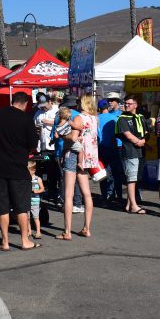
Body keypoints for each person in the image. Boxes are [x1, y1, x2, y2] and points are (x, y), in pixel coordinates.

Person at [0, 92, 40, 251]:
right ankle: (25, 240)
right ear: (25, 104)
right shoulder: (25, 118)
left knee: (2, 206)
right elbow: (33, 144)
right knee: (21, 206)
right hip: (17, 167)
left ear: (13, 101)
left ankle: (5, 241)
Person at [57, 94, 98, 239]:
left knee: (69, 193)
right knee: (87, 193)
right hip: (88, 157)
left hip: (73, 155)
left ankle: (67, 231)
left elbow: (73, 138)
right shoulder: (94, 118)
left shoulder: (79, 118)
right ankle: (87, 228)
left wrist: (62, 136)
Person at [116, 95, 147, 214]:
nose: (126, 105)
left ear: (135, 105)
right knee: (131, 179)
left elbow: (146, 132)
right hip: (130, 151)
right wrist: (139, 141)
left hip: (140, 152)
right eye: (125, 103)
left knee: (136, 178)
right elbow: (127, 135)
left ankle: (129, 204)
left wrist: (144, 140)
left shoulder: (141, 117)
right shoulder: (122, 119)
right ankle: (134, 206)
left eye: (129, 103)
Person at [97, 91, 125, 207]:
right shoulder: (114, 118)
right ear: (107, 107)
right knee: (116, 173)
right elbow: (118, 134)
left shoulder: (96, 119)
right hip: (113, 148)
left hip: (101, 148)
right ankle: (119, 197)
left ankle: (105, 198)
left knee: (103, 174)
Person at [28, 159, 44, 239]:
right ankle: (29, 230)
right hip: (27, 200)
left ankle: (38, 231)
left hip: (35, 201)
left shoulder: (38, 179)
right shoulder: (26, 179)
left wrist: (37, 191)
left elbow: (42, 189)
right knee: (27, 217)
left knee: (35, 217)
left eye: (28, 171)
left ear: (33, 170)